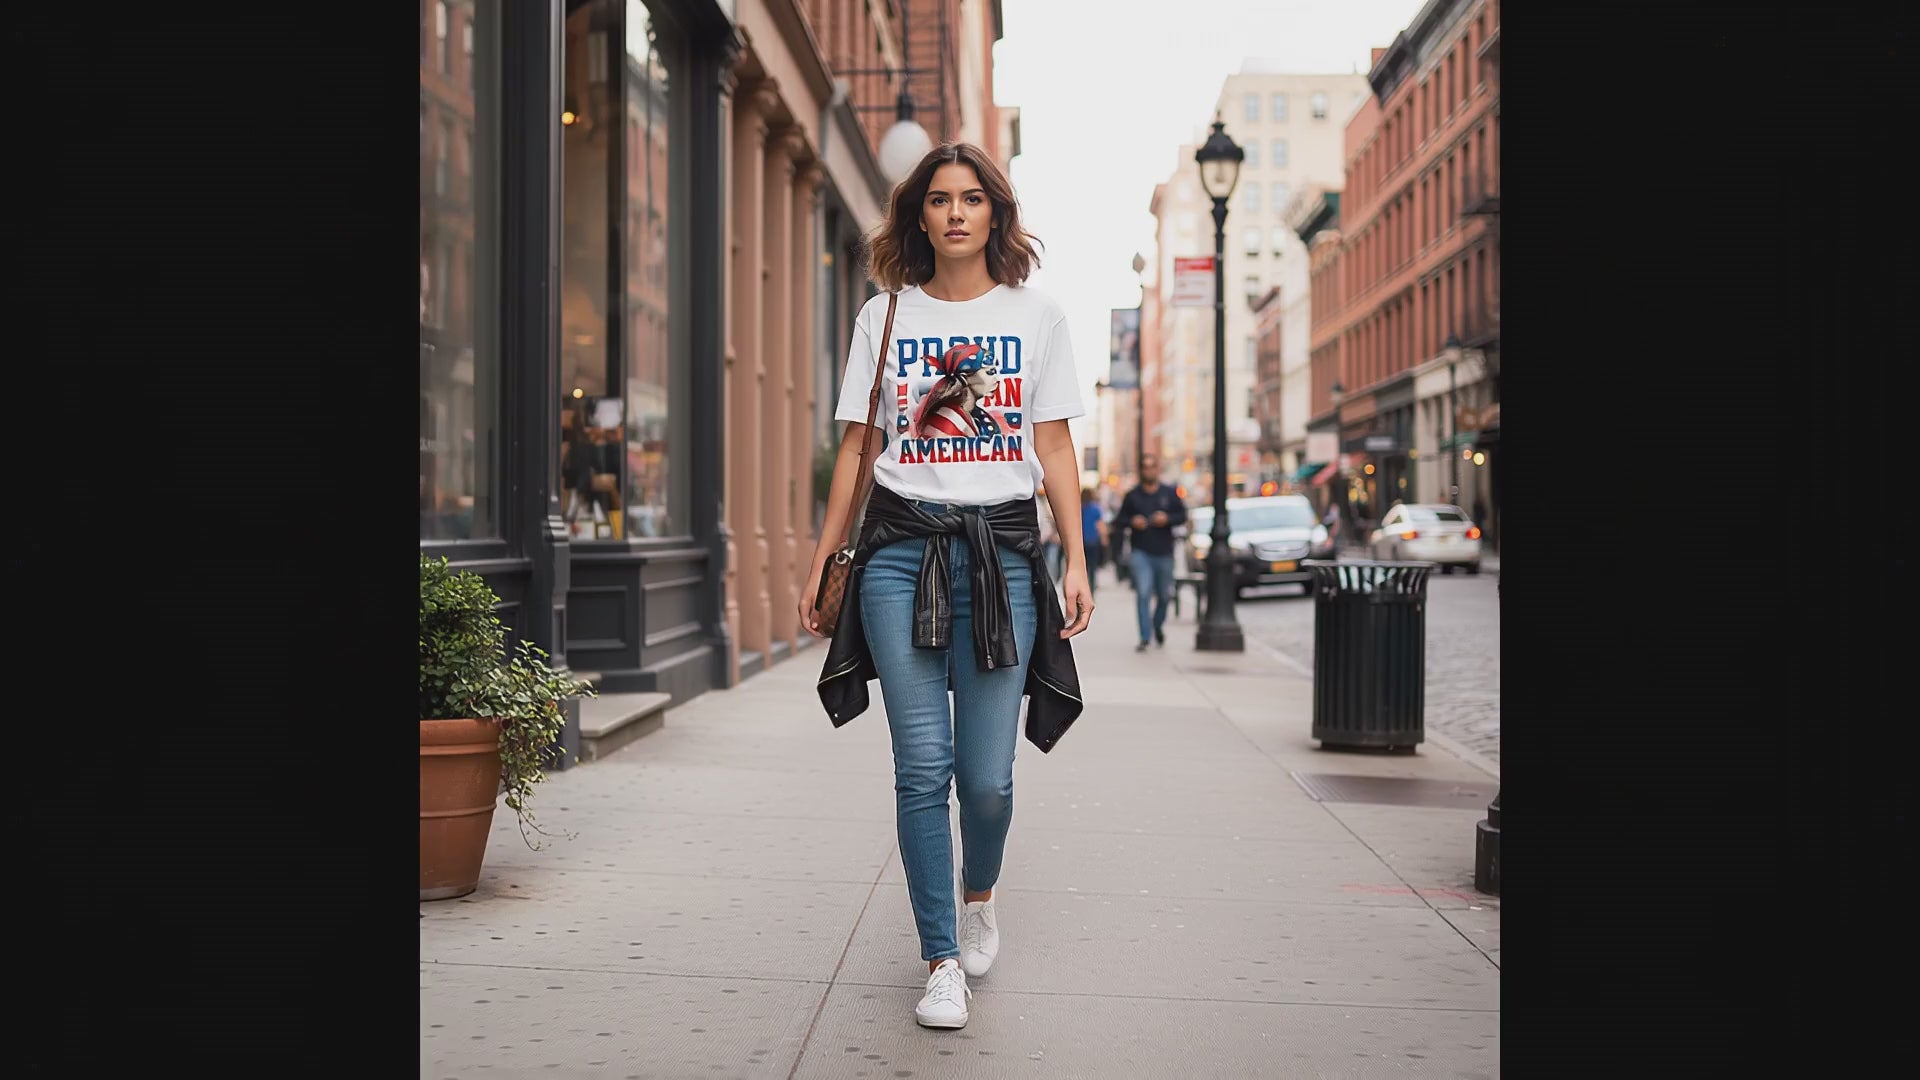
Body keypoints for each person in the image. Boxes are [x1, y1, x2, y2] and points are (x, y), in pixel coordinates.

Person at [800, 142, 1093, 1032]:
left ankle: (980, 897)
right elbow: (857, 445)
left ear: (994, 214)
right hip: (897, 556)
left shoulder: (1037, 315)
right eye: (939, 200)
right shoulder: (884, 316)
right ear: (917, 216)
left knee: (989, 780)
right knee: (922, 770)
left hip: (1003, 559)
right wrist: (824, 561)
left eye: (972, 199)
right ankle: (939, 960)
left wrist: (1074, 558)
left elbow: (1051, 448)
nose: (956, 213)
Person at [1116, 453, 1186, 651]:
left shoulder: (1170, 493)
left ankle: (1157, 625)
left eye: (1152, 467)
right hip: (1141, 552)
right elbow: (1120, 521)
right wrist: (1132, 522)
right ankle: (1145, 637)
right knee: (1144, 592)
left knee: (1164, 595)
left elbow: (1182, 515)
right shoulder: (1132, 496)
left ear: (1157, 469)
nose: (1149, 471)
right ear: (1141, 471)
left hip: (1164, 552)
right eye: (1145, 467)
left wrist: (1167, 519)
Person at [1080, 487, 1107, 595]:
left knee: (1083, 567)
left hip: (1082, 541)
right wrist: (1104, 539)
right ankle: (1091, 588)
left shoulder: (1079, 508)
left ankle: (1083, 587)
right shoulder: (1096, 508)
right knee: (1093, 566)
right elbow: (1100, 525)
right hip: (1093, 540)